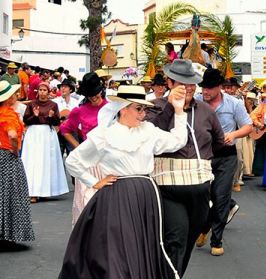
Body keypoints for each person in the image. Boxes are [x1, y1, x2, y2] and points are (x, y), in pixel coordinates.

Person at [58, 84, 188, 279]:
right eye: (138, 108)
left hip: (145, 198)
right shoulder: (104, 135)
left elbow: (178, 141)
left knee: (142, 247)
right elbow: (73, 161)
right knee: (119, 249)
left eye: (145, 109)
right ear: (122, 108)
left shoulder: (149, 131)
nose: (143, 114)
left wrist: (179, 110)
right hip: (116, 198)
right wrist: (94, 182)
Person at [146, 61, 224, 276]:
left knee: (188, 241)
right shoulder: (154, 107)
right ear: (169, 83)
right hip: (167, 188)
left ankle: (175, 275)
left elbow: (217, 142)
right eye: (181, 83)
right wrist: (172, 107)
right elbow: (149, 135)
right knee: (175, 238)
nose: (187, 88)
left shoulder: (206, 111)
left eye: (191, 84)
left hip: (199, 187)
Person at [194, 68, 252, 257]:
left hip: (226, 156)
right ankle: (204, 225)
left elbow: (247, 125)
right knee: (202, 195)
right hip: (202, 156)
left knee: (220, 196)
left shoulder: (234, 104)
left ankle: (216, 240)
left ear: (220, 87)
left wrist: (234, 134)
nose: (205, 92)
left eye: (209, 88)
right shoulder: (195, 101)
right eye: (203, 87)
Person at [0, 81, 35, 244]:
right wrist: (14, 150)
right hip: (6, 156)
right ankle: (9, 234)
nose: (15, 95)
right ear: (7, 98)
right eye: (13, 94)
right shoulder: (7, 113)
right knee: (12, 194)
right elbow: (12, 134)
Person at [59, 72, 108, 226]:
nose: (93, 97)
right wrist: (79, 147)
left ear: (101, 90)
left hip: (108, 159)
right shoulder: (80, 111)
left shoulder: (111, 109)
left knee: (107, 204)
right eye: (89, 94)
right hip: (88, 161)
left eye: (95, 93)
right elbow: (65, 129)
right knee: (86, 202)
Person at [22, 82, 68, 203]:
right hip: (34, 133)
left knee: (47, 161)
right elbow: (26, 120)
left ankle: (46, 190)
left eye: (44, 90)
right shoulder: (32, 104)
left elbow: (57, 121)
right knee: (33, 161)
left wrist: (52, 117)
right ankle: (32, 191)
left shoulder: (53, 105)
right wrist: (35, 116)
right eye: (40, 90)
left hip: (47, 134)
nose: (42, 92)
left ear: (48, 92)